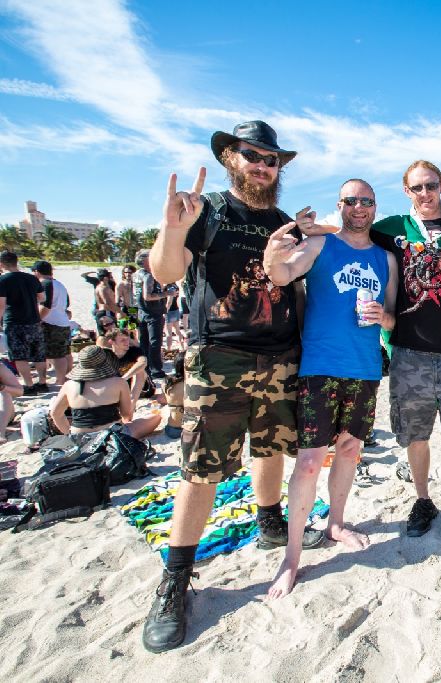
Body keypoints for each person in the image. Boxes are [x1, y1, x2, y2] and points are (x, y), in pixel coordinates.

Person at [142, 120, 322, 653]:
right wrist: (173, 229)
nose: (263, 166)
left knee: (272, 449)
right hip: (218, 356)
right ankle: (176, 579)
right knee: (201, 468)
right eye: (252, 155)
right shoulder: (209, 211)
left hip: (281, 356)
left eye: (272, 159)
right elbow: (167, 272)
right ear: (230, 158)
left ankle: (269, 522)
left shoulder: (285, 223)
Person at [263, 178, 398, 597]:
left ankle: (336, 524)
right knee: (308, 462)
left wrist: (382, 317)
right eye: (351, 200)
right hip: (320, 367)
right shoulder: (320, 245)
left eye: (366, 201)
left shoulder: (385, 259)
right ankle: (291, 557)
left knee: (350, 450)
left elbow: (393, 318)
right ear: (339, 205)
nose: (359, 207)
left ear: (375, 207)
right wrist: (274, 253)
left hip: (365, 368)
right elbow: (282, 274)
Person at [369, 161, 441, 543]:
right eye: (417, 187)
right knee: (415, 435)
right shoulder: (392, 229)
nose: (425, 194)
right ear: (407, 191)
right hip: (408, 354)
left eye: (431, 185)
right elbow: (351, 234)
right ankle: (423, 500)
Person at [48, 345, 161, 440]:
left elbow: (55, 414)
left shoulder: (69, 385)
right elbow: (127, 415)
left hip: (81, 437)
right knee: (155, 418)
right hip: (111, 436)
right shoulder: (118, 382)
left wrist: (69, 434)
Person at [0, 250, 47, 394]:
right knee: (38, 354)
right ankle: (42, 383)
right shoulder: (32, 278)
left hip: (14, 322)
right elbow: (42, 298)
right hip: (34, 321)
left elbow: (1, 305)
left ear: (1, 264)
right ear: (16, 262)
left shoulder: (2, 280)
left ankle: (29, 385)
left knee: (20, 356)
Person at [134, 250, 175, 379]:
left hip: (142, 312)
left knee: (144, 342)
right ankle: (156, 370)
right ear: (146, 261)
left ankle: (146, 368)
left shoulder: (137, 274)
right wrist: (167, 294)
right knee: (155, 342)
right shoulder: (148, 276)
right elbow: (148, 296)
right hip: (153, 313)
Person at [31, 260, 72, 386]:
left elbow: (46, 306)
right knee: (64, 353)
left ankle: (60, 380)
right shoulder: (59, 284)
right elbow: (67, 304)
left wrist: (37, 320)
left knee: (56, 355)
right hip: (63, 321)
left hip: (51, 323)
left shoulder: (45, 284)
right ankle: (65, 377)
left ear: (37, 272)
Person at [98, 328, 149, 408]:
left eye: (127, 339)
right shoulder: (106, 354)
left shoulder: (134, 351)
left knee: (140, 371)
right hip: (118, 390)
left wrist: (124, 378)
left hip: (141, 389)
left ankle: (131, 404)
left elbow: (143, 362)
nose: (127, 342)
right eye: (122, 340)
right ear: (112, 342)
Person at [0, 361, 24, 443]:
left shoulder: (1, 368)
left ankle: (1, 432)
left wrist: (3, 387)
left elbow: (19, 392)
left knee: (5, 393)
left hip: (4, 414)